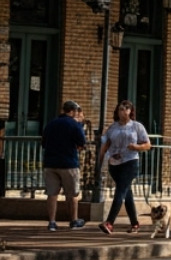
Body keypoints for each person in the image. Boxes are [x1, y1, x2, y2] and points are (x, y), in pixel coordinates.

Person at [98, 100, 151, 235]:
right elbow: (105, 146)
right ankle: (135, 223)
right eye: (121, 109)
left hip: (130, 161)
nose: (124, 111)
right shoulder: (112, 128)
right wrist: (99, 163)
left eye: (127, 109)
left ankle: (109, 222)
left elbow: (147, 145)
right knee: (126, 193)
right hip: (114, 163)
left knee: (120, 191)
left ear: (131, 111)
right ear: (117, 111)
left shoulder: (137, 126)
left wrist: (136, 147)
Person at [41, 100, 88, 231]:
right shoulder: (74, 124)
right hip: (68, 163)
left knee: (52, 194)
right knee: (72, 194)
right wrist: (81, 124)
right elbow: (82, 142)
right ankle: (73, 221)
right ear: (72, 111)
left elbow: (43, 143)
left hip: (50, 163)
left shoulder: (51, 123)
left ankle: (51, 222)